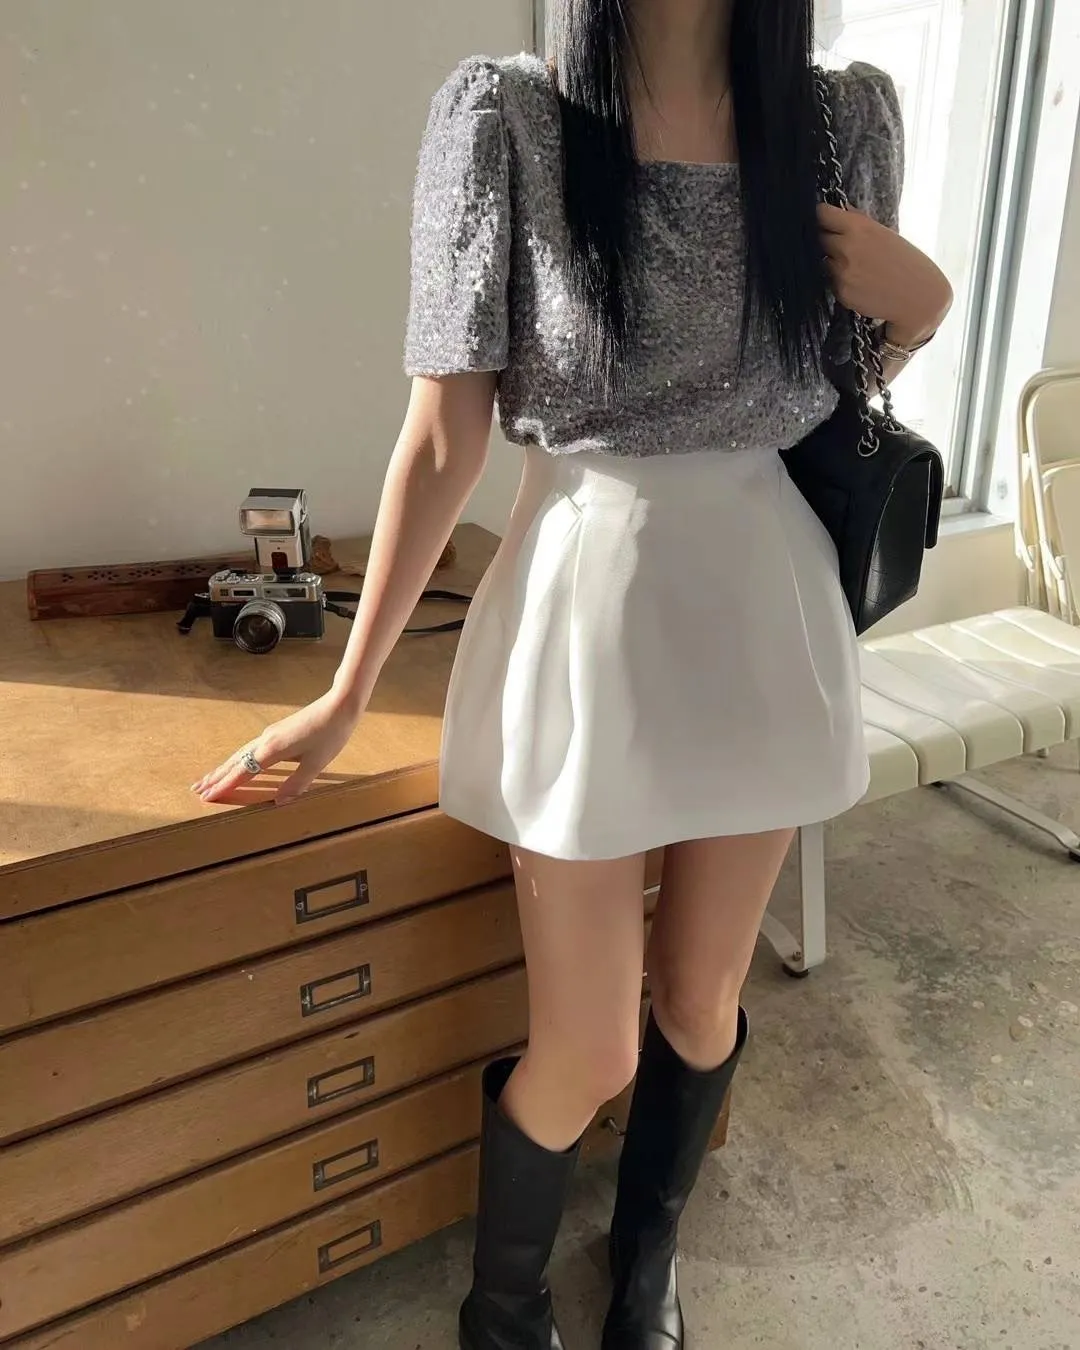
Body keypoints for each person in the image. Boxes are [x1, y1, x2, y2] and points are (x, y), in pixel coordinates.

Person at [194, 2, 952, 1346]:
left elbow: (832, 386)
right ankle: (503, 1307)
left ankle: (648, 1256)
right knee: (590, 1042)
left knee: (701, 1001)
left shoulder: (840, 120)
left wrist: (924, 311)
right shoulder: (510, 122)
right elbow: (444, 436)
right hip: (585, 593)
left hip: (764, 596)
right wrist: (350, 690)